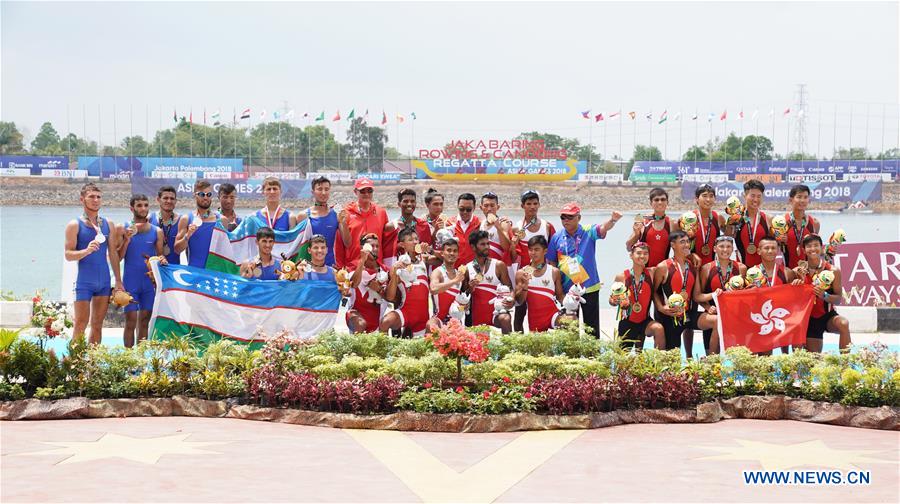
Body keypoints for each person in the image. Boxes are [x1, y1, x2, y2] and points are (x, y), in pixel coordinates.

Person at [546, 202, 621, 338]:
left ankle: (592, 357)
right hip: (568, 291)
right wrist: (557, 290)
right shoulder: (556, 237)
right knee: (570, 328)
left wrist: (613, 220)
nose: (566, 220)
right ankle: (572, 357)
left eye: (570, 217)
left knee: (591, 329)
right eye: (563, 217)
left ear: (579, 218)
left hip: (589, 287)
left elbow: (603, 228)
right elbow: (551, 264)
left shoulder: (588, 231)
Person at [64, 183, 123, 344]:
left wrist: (118, 280)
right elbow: (68, 255)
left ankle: (92, 365)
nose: (96, 200)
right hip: (84, 282)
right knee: (80, 324)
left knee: (97, 325)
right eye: (91, 197)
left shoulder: (108, 224)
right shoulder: (74, 225)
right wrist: (86, 251)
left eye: (98, 197)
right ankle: (74, 366)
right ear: (82, 199)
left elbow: (113, 253)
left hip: (104, 282)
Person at [116, 194, 165, 347]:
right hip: (130, 282)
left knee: (144, 321)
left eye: (145, 205)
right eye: (139, 205)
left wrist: (163, 259)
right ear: (132, 208)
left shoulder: (157, 231)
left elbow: (159, 257)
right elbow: (118, 258)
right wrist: (126, 240)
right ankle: (128, 359)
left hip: (149, 284)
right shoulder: (123, 228)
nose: (143, 208)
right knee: (130, 321)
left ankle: (140, 361)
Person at [694, 236, 747, 355]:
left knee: (735, 353)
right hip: (714, 313)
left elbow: (745, 293)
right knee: (711, 355)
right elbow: (698, 295)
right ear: (714, 249)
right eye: (721, 246)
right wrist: (708, 307)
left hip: (734, 315)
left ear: (733, 249)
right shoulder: (706, 269)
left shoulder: (741, 268)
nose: (725, 249)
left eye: (728, 247)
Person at [652, 231, 703, 354]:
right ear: (673, 245)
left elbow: (696, 294)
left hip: (688, 315)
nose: (686, 245)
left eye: (687, 241)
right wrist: (661, 308)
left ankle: (712, 361)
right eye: (682, 242)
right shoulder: (663, 267)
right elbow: (654, 291)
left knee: (715, 321)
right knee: (671, 357)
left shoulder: (692, 265)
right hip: (671, 316)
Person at [513, 189, 556, 332]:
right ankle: (518, 347)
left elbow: (553, 251)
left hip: (542, 274)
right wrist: (513, 243)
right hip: (525, 273)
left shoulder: (547, 226)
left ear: (539, 205)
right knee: (519, 313)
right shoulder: (516, 228)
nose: (532, 207)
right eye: (529, 203)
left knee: (542, 312)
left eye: (535, 203)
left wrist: (551, 274)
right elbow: (512, 255)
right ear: (522, 206)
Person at [799, 234, 851, 352]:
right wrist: (800, 282)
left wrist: (824, 296)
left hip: (827, 317)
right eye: (809, 246)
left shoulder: (833, 271)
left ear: (822, 248)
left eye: (816, 245)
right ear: (804, 250)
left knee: (843, 323)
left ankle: (846, 365)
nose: (813, 249)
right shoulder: (799, 271)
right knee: (814, 361)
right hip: (809, 319)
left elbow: (838, 299)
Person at [608, 242, 664, 350]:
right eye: (639, 253)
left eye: (645, 253)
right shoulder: (621, 276)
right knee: (622, 363)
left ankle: (659, 363)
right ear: (631, 255)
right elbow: (611, 299)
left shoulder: (652, 273)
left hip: (645, 322)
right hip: (627, 323)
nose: (642, 256)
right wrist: (615, 301)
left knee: (658, 328)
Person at [380, 227, 432, 337]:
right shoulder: (398, 265)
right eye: (410, 240)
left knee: (420, 351)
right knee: (385, 322)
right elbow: (389, 297)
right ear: (402, 245)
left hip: (423, 317)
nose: (415, 242)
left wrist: (429, 249)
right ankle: (382, 353)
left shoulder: (424, 259)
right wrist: (394, 274)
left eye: (416, 239)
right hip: (406, 312)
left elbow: (444, 257)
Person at [513, 235, 568, 332]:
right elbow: (520, 301)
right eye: (530, 250)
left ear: (545, 251)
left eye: (536, 249)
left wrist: (572, 302)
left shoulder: (554, 272)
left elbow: (560, 297)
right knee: (541, 346)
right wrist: (524, 286)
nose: (533, 253)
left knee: (571, 321)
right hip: (535, 321)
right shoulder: (521, 273)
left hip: (552, 315)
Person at [465, 230, 514, 333]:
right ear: (473, 247)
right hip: (476, 317)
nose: (487, 246)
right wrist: (470, 288)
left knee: (505, 319)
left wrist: (512, 300)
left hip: (496, 314)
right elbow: (463, 296)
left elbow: (510, 288)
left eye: (488, 243)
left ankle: (509, 347)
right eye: (483, 244)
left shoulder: (499, 265)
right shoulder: (467, 268)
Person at [335, 177, 389, 270]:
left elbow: (386, 241)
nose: (366, 194)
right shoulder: (346, 213)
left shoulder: (381, 212)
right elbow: (345, 243)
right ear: (355, 192)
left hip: (375, 267)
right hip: (353, 267)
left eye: (369, 190)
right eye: (362, 191)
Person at [345, 233, 388, 333]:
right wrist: (362, 260)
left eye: (377, 246)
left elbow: (391, 298)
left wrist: (379, 290)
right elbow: (354, 284)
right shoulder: (352, 266)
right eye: (372, 246)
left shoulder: (385, 270)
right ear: (363, 247)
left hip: (378, 320)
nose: (375, 249)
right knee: (361, 325)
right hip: (356, 317)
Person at [625, 187, 677, 268]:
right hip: (644, 272)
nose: (660, 202)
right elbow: (628, 247)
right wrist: (636, 234)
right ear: (651, 203)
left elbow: (677, 250)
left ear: (667, 202)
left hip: (662, 272)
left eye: (663, 199)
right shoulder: (643, 220)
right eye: (656, 200)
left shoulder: (672, 223)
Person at [174, 180, 220, 269]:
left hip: (215, 273)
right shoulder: (186, 219)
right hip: (194, 272)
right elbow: (177, 249)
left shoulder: (221, 220)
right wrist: (188, 235)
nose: (205, 197)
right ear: (195, 195)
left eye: (209, 194)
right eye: (202, 194)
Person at [382, 188, 433, 266]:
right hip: (398, 270)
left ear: (416, 203)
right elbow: (385, 252)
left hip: (418, 269)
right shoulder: (391, 227)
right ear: (399, 204)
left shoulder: (423, 226)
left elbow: (427, 251)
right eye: (405, 201)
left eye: (412, 201)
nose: (409, 204)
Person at [427, 236, 464, 332]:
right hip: (439, 319)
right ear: (442, 253)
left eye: (455, 251)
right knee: (430, 325)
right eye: (449, 250)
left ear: (458, 254)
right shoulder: (438, 272)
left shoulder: (460, 275)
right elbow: (433, 289)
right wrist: (454, 281)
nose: (452, 253)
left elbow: (461, 301)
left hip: (456, 321)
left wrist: (464, 306)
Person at [779, 184, 821, 268]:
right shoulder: (781, 221)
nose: (802, 200)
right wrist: (779, 241)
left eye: (805, 197)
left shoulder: (814, 223)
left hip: (809, 271)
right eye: (799, 197)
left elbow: (817, 248)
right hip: (788, 271)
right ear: (791, 200)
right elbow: (772, 246)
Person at [685, 184, 726, 267]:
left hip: (711, 268)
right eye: (704, 196)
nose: (708, 199)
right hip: (691, 267)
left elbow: (731, 236)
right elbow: (679, 245)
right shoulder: (688, 218)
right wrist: (690, 255)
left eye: (711, 196)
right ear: (696, 199)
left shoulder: (718, 218)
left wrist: (734, 221)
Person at [733, 179, 770, 268]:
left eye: (759, 196)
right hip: (741, 269)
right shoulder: (735, 218)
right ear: (744, 196)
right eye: (752, 196)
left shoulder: (767, 219)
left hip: (763, 270)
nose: (755, 199)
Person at [303, 176, 339, 267]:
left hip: (331, 266)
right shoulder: (303, 216)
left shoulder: (336, 214)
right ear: (312, 192)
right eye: (319, 189)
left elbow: (347, 243)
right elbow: (296, 245)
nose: (323, 192)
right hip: (309, 268)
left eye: (326, 189)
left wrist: (343, 223)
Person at [445, 193, 481, 267]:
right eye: (461, 209)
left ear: (474, 208)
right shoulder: (449, 223)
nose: (465, 212)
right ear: (458, 207)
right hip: (454, 268)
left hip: (474, 268)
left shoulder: (480, 223)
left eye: (468, 209)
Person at [478, 192, 514, 265]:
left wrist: (498, 226)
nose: (489, 209)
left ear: (498, 207)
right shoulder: (481, 223)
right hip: (484, 266)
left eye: (492, 205)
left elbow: (507, 247)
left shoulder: (503, 223)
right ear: (481, 207)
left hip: (499, 267)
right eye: (486, 205)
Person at [149, 185, 180, 264]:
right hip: (154, 269)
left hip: (173, 270)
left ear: (176, 201)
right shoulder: (149, 219)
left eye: (172, 198)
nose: (169, 201)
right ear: (158, 200)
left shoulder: (181, 221)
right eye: (165, 198)